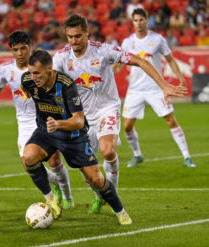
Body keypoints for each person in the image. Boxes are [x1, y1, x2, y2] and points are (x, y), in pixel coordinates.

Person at [53, 13, 187, 214]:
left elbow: (140, 61)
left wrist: (163, 85)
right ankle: (100, 196)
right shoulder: (61, 57)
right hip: (81, 116)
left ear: (87, 33)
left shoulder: (104, 51)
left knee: (108, 151)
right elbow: (53, 84)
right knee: (84, 166)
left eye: (78, 36)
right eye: (70, 36)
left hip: (107, 108)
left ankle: (111, 193)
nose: (74, 41)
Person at [21, 49, 132, 225]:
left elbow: (79, 121)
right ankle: (51, 199)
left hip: (72, 135)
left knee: (95, 178)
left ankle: (120, 211)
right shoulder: (27, 80)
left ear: (49, 69)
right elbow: (27, 90)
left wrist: (58, 124)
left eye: (37, 73)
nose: (32, 77)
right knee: (28, 157)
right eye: (30, 72)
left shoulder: (66, 85)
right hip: (46, 131)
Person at [0, 31, 74, 209]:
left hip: (46, 118)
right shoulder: (6, 69)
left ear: (31, 46)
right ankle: (53, 191)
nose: (20, 53)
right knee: (28, 164)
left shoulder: (42, 66)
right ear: (10, 50)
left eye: (23, 48)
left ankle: (67, 197)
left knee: (54, 161)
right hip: (25, 122)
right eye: (15, 49)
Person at [114, 8, 196, 168]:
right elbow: (119, 64)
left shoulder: (157, 39)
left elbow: (170, 59)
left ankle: (187, 156)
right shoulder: (127, 42)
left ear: (146, 21)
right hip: (135, 89)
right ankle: (137, 155)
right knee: (127, 126)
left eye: (141, 20)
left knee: (171, 120)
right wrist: (110, 71)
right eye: (136, 20)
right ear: (132, 23)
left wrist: (181, 78)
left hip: (156, 88)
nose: (139, 23)